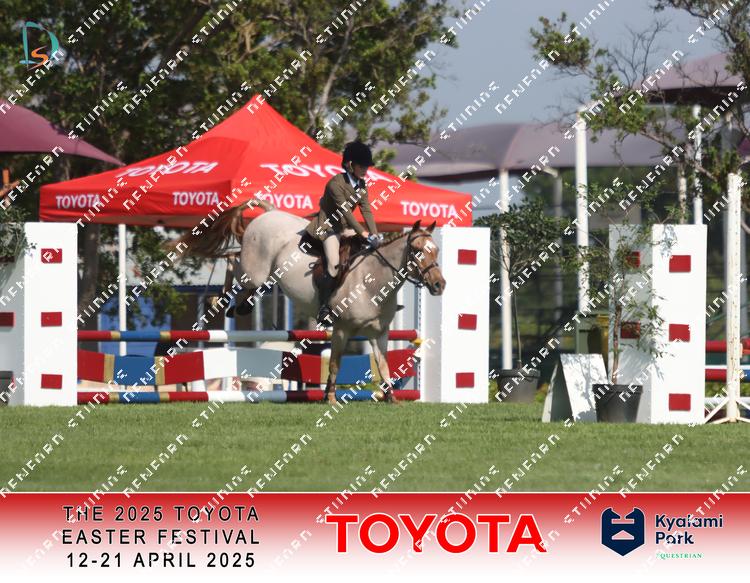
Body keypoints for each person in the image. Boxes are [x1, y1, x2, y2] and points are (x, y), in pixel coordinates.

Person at [305, 141, 380, 324]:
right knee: (334, 264)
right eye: (362, 166)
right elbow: (345, 211)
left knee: (368, 255)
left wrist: (375, 233)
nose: (365, 170)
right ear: (350, 164)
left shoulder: (361, 185)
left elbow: (366, 210)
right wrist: (363, 233)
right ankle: (324, 308)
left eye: (367, 166)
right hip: (327, 227)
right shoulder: (335, 184)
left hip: (344, 227)